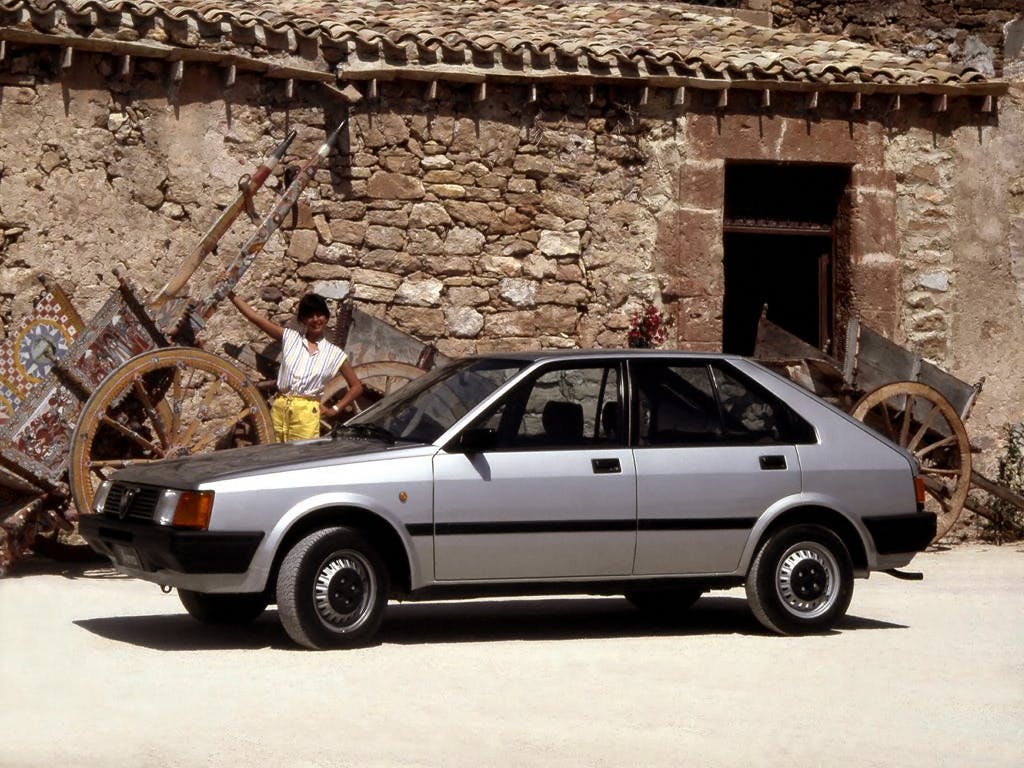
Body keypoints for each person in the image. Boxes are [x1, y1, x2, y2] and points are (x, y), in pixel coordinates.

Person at [229, 290, 363, 441]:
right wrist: (230, 294)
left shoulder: (334, 354)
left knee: (301, 458)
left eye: (319, 315)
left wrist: (335, 409)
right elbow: (256, 318)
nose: (315, 319)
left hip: (306, 413)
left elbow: (356, 386)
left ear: (326, 317)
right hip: (280, 408)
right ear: (303, 320)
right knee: (272, 453)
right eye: (310, 316)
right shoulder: (290, 338)